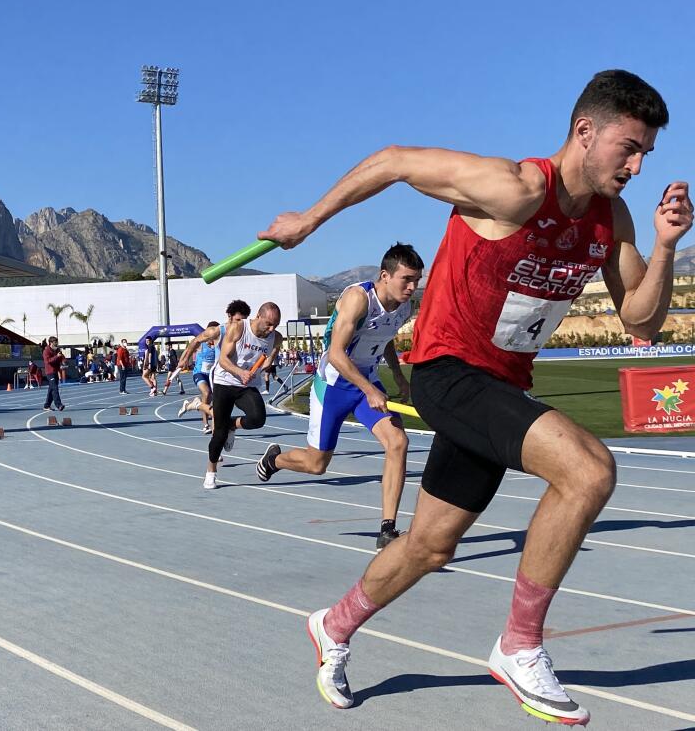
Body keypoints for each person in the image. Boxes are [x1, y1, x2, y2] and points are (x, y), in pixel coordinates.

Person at [259, 69, 690, 724]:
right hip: (448, 370)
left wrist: (664, 246)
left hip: (500, 384)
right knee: (589, 469)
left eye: (646, 154)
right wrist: (310, 220)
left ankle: (333, 626)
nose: (636, 164)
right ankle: (518, 645)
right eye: (628, 147)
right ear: (585, 132)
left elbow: (640, 320)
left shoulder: (613, 218)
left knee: (432, 545)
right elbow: (397, 161)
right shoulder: (513, 188)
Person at [255, 243, 422, 549]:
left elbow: (382, 338)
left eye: (417, 281)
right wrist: (370, 390)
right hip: (333, 384)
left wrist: (397, 376)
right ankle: (275, 459)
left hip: (366, 382)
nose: (413, 287)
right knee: (317, 465)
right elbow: (335, 354)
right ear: (385, 275)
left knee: (398, 442)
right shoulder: (358, 299)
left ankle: (387, 529)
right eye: (407, 279)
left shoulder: (403, 307)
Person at [204, 302, 282, 490]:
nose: (271, 329)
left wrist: (269, 361)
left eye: (275, 325)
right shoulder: (238, 328)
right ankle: (211, 471)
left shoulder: (276, 337)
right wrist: (240, 372)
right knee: (219, 435)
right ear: (258, 316)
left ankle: (232, 424)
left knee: (258, 418)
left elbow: (275, 348)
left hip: (246, 386)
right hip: (225, 382)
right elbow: (222, 360)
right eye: (268, 324)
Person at [177, 299, 252, 428]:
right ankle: (211, 425)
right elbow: (196, 340)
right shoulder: (217, 331)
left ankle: (198, 406)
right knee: (218, 413)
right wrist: (185, 358)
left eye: (244, 321)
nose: (241, 324)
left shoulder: (246, 331)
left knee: (222, 413)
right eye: (238, 320)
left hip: (235, 376)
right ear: (229, 316)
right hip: (219, 375)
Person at [176, 321, 219, 432]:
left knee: (215, 400)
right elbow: (187, 349)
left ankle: (192, 404)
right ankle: (205, 424)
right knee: (206, 393)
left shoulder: (219, 344)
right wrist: (182, 361)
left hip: (213, 375)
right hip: (199, 373)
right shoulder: (201, 343)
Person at [41, 337, 65, 411]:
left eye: (57, 343)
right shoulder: (46, 351)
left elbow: (61, 358)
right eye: (55, 343)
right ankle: (59, 405)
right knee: (55, 388)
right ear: (51, 343)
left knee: (51, 389)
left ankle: (47, 405)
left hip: (56, 371)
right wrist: (56, 356)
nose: (56, 344)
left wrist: (63, 360)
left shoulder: (57, 350)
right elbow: (48, 361)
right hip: (50, 372)